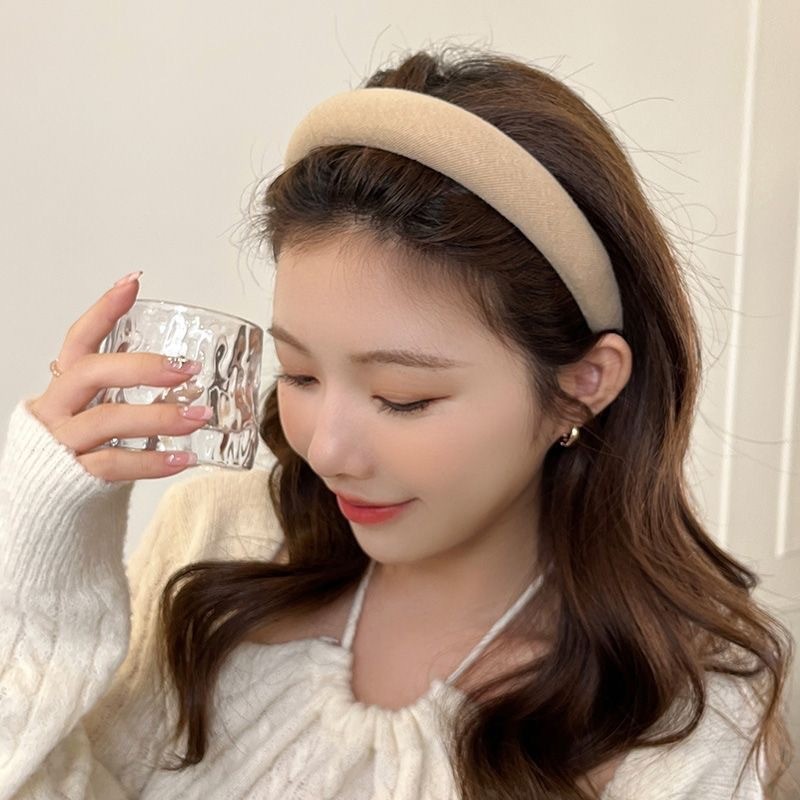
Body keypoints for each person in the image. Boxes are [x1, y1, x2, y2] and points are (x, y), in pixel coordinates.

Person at [0, 44, 794, 800]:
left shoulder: (679, 711)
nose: (327, 451)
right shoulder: (218, 539)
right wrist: (36, 563)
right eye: (301, 374)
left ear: (582, 385)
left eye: (403, 397)